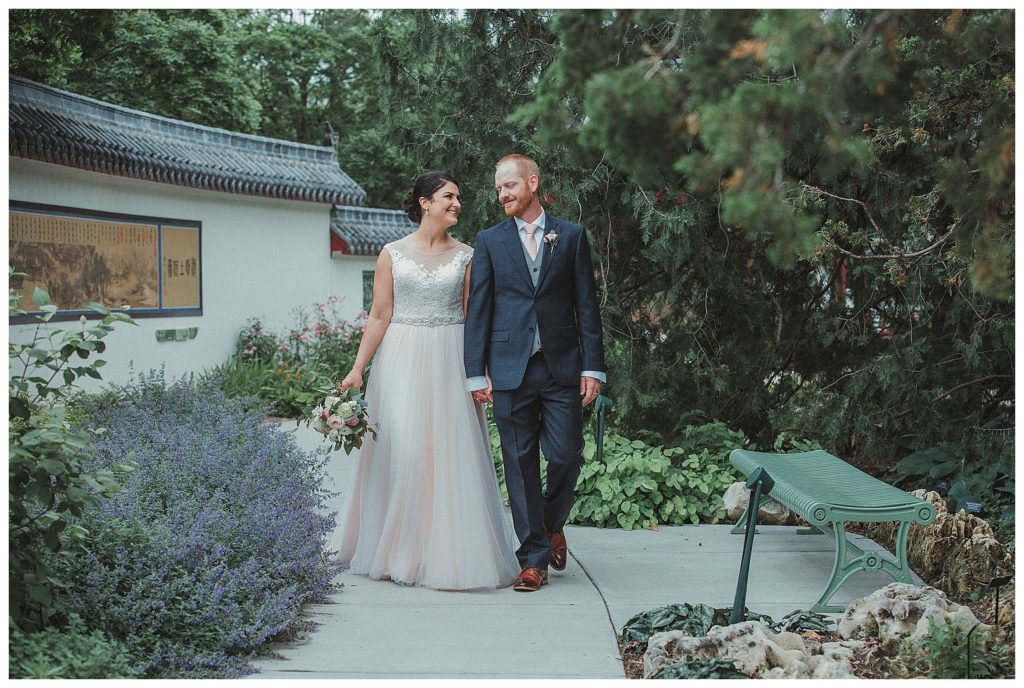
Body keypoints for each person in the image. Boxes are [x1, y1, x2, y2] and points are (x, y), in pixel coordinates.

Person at [335, 171, 519, 590]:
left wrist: (483, 368)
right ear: (425, 202)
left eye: (458, 196)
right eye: (448, 196)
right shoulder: (391, 254)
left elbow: (476, 317)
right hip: (401, 356)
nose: (456, 203)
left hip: (452, 356)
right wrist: (358, 367)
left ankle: (446, 552)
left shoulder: (468, 255)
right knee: (406, 449)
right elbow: (380, 314)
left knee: (450, 453)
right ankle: (399, 548)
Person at [464, 154, 606, 592]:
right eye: (498, 189)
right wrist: (475, 372)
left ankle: (550, 524)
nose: (502, 194)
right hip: (509, 370)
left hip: (561, 366)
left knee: (566, 455)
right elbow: (479, 310)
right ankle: (533, 560)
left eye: (508, 186)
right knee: (520, 462)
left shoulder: (571, 236)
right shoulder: (489, 241)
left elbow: (587, 305)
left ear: (532, 182)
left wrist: (593, 365)